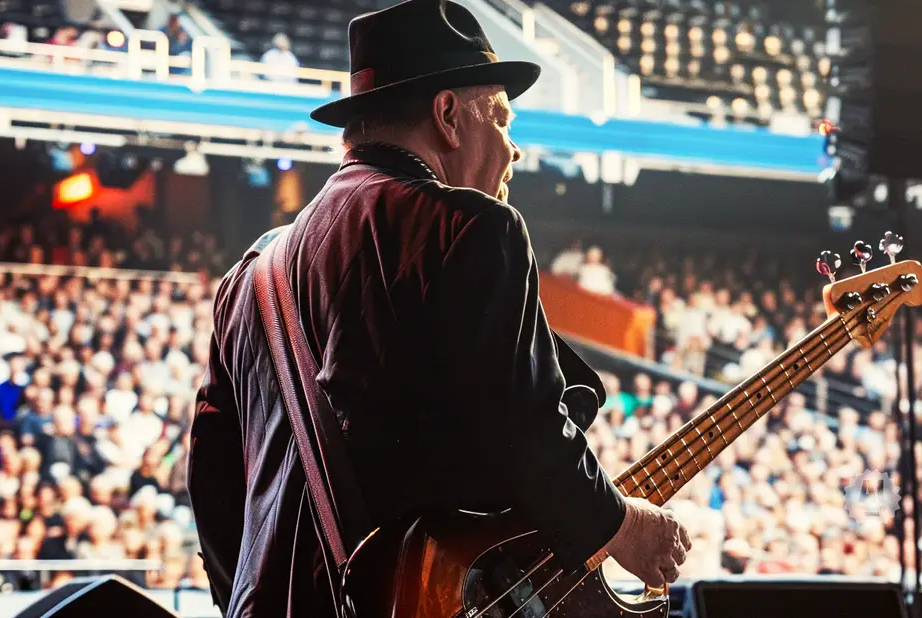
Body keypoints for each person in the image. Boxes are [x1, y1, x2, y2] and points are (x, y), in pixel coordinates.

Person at [187, 1, 691, 616]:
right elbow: (526, 433)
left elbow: (213, 490)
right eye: (501, 119)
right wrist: (622, 525)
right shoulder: (470, 228)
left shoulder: (248, 278)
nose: (514, 149)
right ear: (448, 115)